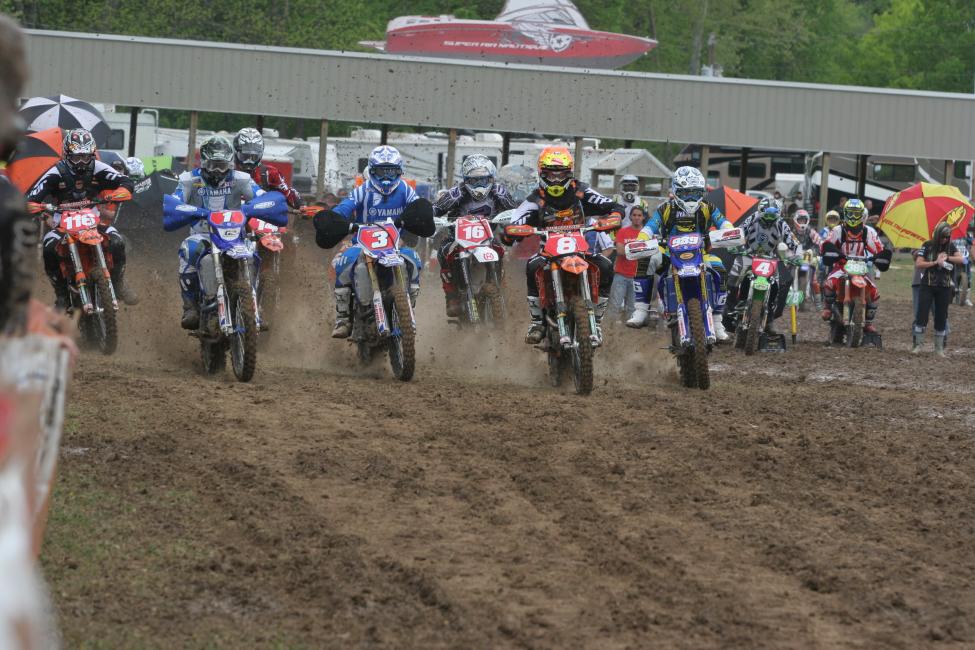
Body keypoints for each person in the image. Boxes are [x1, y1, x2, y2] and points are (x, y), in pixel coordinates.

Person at [311, 145, 434, 338]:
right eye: (381, 171)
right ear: (372, 170)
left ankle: (409, 303)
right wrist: (336, 221)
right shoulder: (363, 190)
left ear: (399, 171)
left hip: (395, 244)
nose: (386, 177)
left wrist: (418, 217)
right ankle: (343, 316)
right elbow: (343, 208)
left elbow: (418, 207)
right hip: (363, 243)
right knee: (341, 262)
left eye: (391, 171)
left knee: (414, 260)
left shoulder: (405, 190)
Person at [505, 146, 621, 344]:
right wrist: (515, 230)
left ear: (569, 173)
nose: (556, 180)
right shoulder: (536, 198)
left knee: (605, 265)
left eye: (561, 175)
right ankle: (537, 321)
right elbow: (515, 221)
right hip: (548, 252)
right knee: (532, 266)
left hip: (580, 250)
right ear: (543, 173)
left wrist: (613, 217)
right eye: (551, 175)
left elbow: (611, 205)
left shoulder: (581, 191)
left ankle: (598, 321)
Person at [28, 128, 139, 309]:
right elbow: (32, 197)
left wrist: (118, 193)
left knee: (117, 241)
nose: (81, 162)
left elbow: (125, 181)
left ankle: (118, 283)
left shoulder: (98, 168)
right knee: (49, 248)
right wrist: (36, 206)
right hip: (63, 222)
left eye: (86, 157)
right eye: (76, 157)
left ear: (92, 154)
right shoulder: (55, 172)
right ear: (67, 155)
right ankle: (62, 295)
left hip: (92, 220)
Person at [164, 135, 258, 329]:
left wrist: (256, 207)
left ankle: (254, 306)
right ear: (204, 163)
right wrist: (189, 210)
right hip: (203, 234)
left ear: (231, 164)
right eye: (214, 165)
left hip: (234, 236)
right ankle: (191, 306)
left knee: (252, 254)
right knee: (188, 251)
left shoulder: (241, 179)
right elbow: (175, 201)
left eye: (223, 166)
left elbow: (259, 196)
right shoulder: (189, 180)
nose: (218, 171)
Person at [635, 166, 733, 340]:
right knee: (646, 259)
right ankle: (640, 310)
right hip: (668, 254)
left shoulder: (707, 207)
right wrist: (641, 238)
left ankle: (717, 321)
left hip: (700, 254)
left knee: (720, 269)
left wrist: (728, 231)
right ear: (676, 191)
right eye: (686, 193)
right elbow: (650, 226)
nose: (691, 198)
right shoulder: (665, 208)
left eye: (695, 193)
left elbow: (723, 221)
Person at [433, 154, 516, 317]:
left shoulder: (499, 192)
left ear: (491, 178)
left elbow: (514, 211)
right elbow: (436, 209)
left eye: (483, 180)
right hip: (458, 238)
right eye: (474, 181)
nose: (479, 184)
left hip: (488, 237)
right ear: (466, 180)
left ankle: (500, 288)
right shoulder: (456, 193)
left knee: (500, 251)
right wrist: (431, 217)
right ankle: (451, 296)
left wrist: (512, 220)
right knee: (443, 252)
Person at [726, 200, 801, 334]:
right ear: (760, 212)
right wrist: (734, 244)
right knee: (735, 275)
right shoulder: (752, 218)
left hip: (770, 257)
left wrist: (798, 256)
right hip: (749, 254)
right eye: (766, 216)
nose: (769, 221)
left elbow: (793, 241)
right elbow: (740, 231)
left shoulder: (781, 224)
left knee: (776, 284)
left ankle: (770, 318)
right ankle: (731, 308)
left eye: (773, 217)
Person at [820, 198, 892, 334]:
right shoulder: (837, 230)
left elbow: (879, 248)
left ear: (862, 215)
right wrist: (833, 253)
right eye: (850, 213)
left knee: (875, 292)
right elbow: (825, 245)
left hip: (861, 267)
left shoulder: (868, 232)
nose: (853, 217)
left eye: (856, 214)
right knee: (829, 283)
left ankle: (868, 322)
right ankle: (828, 307)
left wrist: (879, 257)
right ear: (845, 213)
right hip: (842, 266)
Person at [912, 222, 965, 356]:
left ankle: (939, 348)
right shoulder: (927, 245)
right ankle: (918, 345)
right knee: (921, 314)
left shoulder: (950, 246)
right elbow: (919, 263)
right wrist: (935, 262)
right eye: (942, 237)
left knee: (941, 316)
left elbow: (962, 259)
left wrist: (948, 257)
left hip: (944, 286)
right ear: (937, 235)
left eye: (947, 237)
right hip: (927, 285)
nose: (944, 240)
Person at [232, 127, 303, 209]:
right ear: (236, 153)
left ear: (260, 154)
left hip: (260, 216)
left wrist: (301, 206)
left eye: (253, 157)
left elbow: (287, 192)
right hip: (233, 215)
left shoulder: (269, 173)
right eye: (245, 156)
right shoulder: (228, 172)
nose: (249, 161)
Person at [607, 205, 646, 322]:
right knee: (614, 306)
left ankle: (627, 336)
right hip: (621, 275)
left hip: (638, 277)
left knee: (632, 309)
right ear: (630, 217)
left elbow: (650, 253)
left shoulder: (647, 233)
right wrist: (640, 250)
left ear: (643, 217)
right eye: (634, 215)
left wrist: (629, 250)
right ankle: (609, 332)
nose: (637, 218)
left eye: (639, 215)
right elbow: (619, 251)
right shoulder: (623, 232)